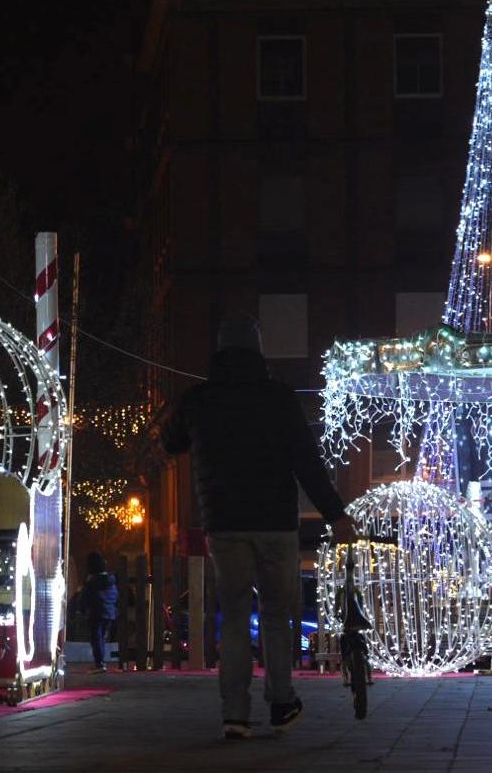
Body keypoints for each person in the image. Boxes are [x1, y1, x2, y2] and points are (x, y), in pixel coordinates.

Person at [163, 315, 354, 740]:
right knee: (275, 614)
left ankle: (234, 713)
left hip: (223, 523)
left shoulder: (199, 399)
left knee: (233, 616)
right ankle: (281, 700)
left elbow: (170, 441)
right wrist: (335, 514)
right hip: (275, 523)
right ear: (259, 352)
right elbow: (306, 462)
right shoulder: (279, 398)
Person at [82, 552, 118, 673]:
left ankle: (99, 663)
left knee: (96, 638)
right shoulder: (111, 581)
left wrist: (82, 609)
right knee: (101, 637)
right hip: (109, 613)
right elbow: (114, 596)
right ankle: (100, 662)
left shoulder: (91, 582)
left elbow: (85, 597)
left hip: (96, 613)